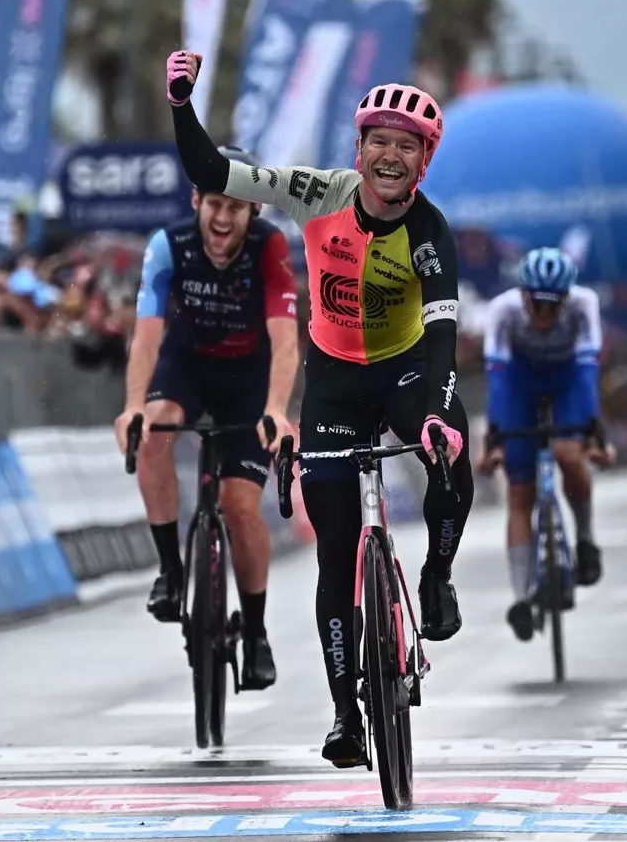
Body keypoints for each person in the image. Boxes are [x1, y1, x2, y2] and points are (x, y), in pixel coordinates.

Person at [164, 50, 474, 767]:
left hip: (406, 372)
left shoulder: (431, 233)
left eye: (407, 146)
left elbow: (443, 336)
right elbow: (214, 173)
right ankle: (344, 715)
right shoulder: (317, 192)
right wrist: (181, 104)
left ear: (424, 161)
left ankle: (436, 575)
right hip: (334, 379)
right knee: (335, 551)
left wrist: (435, 416)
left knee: (450, 452)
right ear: (358, 148)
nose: (390, 156)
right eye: (379, 141)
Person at [114, 145, 300, 691]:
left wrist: (275, 410)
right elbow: (146, 337)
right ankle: (171, 573)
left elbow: (286, 341)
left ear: (254, 211)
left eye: (235, 207)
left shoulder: (270, 247)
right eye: (214, 203)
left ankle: (256, 633)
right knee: (154, 431)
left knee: (239, 506)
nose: (223, 218)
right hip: (188, 366)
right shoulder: (167, 245)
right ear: (196, 200)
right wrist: (133, 405)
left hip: (248, 377)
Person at [477, 247, 615, 641]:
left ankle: (585, 540)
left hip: (567, 382)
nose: (544, 313)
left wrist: (594, 434)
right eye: (537, 303)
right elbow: (497, 380)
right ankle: (521, 598)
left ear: (567, 298)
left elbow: (587, 374)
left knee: (569, 454)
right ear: (522, 295)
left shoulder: (585, 304)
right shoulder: (502, 311)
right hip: (519, 387)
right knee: (520, 492)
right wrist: (494, 440)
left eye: (553, 305)